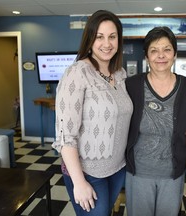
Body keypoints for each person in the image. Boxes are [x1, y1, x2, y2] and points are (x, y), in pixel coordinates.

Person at [52, 10, 133, 216]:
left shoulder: (120, 73)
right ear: (89, 39)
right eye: (99, 36)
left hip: (117, 168)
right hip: (88, 172)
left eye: (112, 37)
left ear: (118, 40)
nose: (107, 43)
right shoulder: (77, 73)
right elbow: (65, 136)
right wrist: (79, 182)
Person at [125, 26, 186, 216]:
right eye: (154, 50)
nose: (161, 55)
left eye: (167, 49)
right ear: (146, 56)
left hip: (172, 175)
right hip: (138, 174)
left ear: (175, 54)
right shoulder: (131, 85)